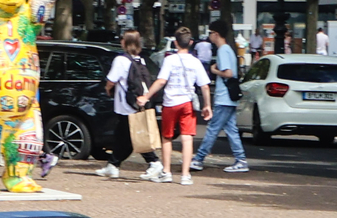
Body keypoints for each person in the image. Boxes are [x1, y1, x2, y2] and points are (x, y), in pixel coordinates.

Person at [187, 24, 249, 174]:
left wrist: (214, 70)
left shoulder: (222, 50)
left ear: (216, 34)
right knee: (231, 129)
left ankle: (199, 159)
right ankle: (240, 160)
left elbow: (228, 73)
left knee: (213, 129)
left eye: (210, 33)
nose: (209, 36)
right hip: (229, 97)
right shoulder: (228, 50)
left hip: (224, 97)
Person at [93, 28, 152, 179]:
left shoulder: (121, 60)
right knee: (122, 135)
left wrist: (107, 90)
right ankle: (113, 165)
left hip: (125, 104)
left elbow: (111, 80)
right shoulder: (140, 59)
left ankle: (154, 162)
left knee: (132, 136)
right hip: (136, 102)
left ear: (125, 42)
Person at [153, 27, 210, 185]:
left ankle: (166, 172)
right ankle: (185, 175)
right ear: (191, 43)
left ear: (175, 43)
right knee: (187, 138)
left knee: (167, 137)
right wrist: (207, 105)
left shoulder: (169, 60)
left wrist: (147, 95)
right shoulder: (195, 62)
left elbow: (161, 81)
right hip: (187, 102)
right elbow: (204, 86)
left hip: (170, 102)